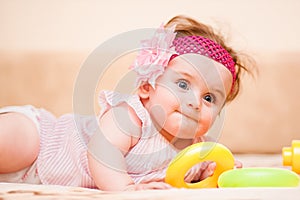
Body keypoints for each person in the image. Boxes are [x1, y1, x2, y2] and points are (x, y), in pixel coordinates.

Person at [0, 15, 253, 191]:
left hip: (37, 178)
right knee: (14, 142)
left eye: (209, 98)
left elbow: (193, 175)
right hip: (44, 143)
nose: (195, 103)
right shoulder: (132, 117)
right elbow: (102, 151)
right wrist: (125, 188)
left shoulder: (198, 148)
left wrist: (214, 171)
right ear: (146, 88)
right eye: (183, 85)